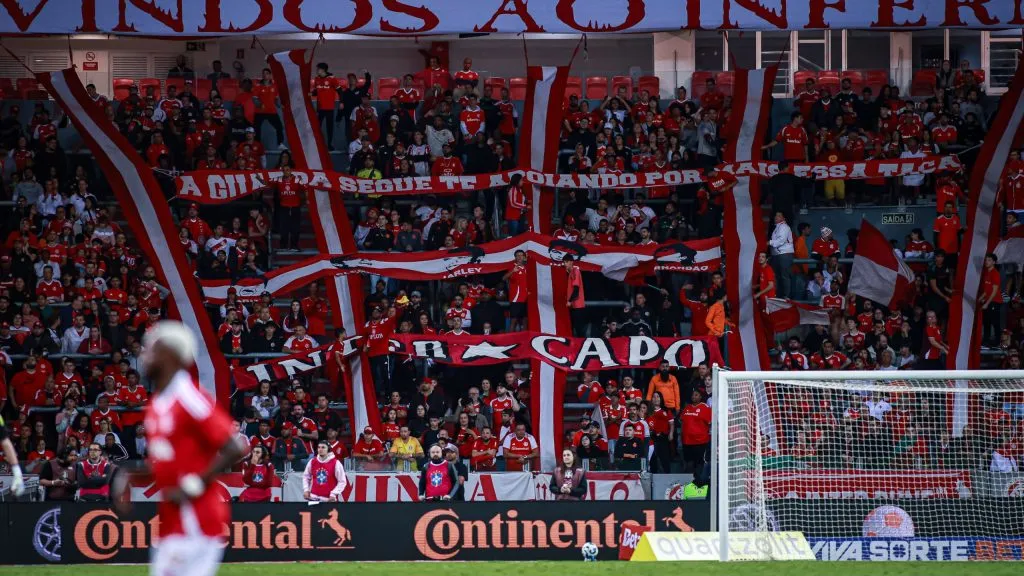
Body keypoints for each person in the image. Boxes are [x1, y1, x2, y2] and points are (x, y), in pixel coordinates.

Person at [111, 321, 247, 576]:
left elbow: (234, 446)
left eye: (151, 349)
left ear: (169, 355)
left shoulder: (187, 395)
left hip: (195, 518)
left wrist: (192, 485)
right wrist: (133, 474)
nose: (144, 356)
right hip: (173, 518)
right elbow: (172, 462)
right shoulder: (158, 403)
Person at [680, 389, 712, 473]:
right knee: (689, 464)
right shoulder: (687, 407)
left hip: (700, 442)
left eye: (696, 395)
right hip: (687, 442)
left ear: (701, 396)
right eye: (693, 395)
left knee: (699, 465)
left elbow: (710, 422)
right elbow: (682, 421)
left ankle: (699, 483)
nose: (693, 396)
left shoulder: (705, 407)